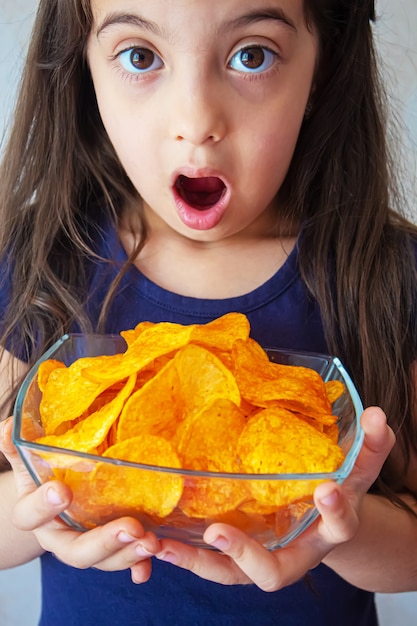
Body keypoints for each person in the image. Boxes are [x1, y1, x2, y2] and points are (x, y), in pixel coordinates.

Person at [0, 0, 416, 624]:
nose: (195, 120)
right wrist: (40, 508)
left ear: (322, 69)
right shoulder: (39, 263)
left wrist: (337, 526)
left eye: (252, 56)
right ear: (83, 74)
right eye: (141, 57)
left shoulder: (387, 273)